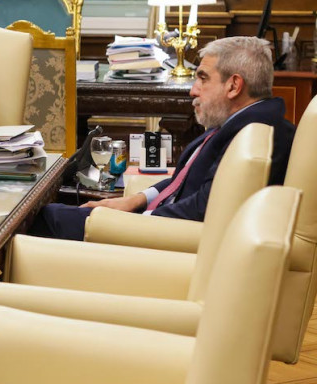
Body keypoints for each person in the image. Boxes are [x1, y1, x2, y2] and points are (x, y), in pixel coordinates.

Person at [32, 36, 296, 241]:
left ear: (233, 85)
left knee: (41, 218)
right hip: (159, 220)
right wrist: (136, 200)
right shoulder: (242, 121)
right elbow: (186, 180)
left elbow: (204, 209)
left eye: (203, 79)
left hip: (162, 239)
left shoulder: (256, 137)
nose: (193, 90)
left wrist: (137, 219)